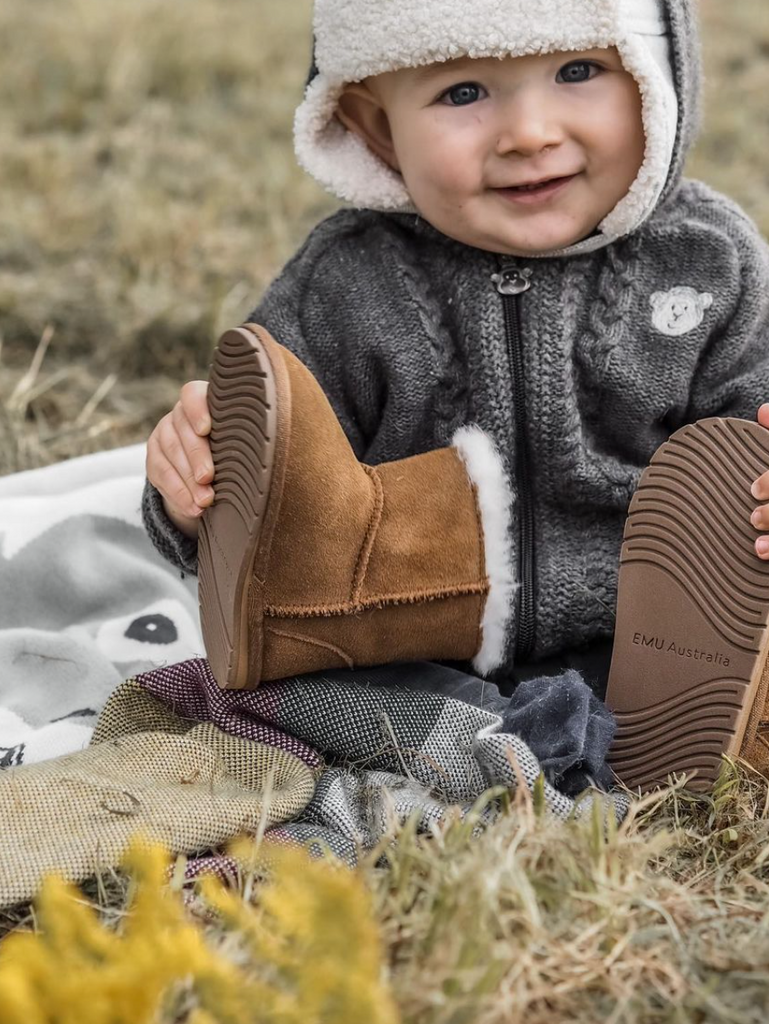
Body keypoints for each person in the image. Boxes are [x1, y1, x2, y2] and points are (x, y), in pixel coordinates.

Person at [142, 0, 769, 791]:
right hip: (410, 651)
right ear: (376, 128)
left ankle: (656, 734)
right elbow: (266, 488)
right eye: (462, 92)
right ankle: (496, 745)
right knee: (282, 689)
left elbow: (751, 430)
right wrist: (194, 486)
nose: (528, 133)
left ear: (657, 80)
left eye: (577, 71)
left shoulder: (709, 260)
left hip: (649, 647)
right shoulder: (344, 284)